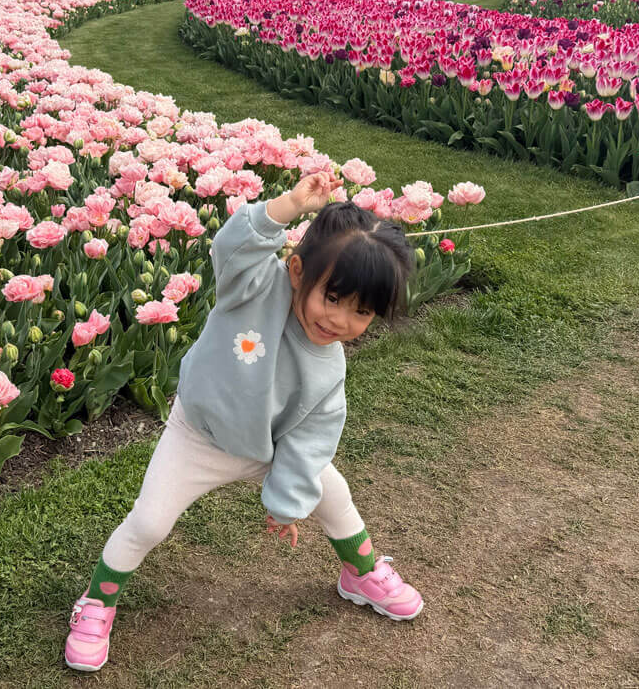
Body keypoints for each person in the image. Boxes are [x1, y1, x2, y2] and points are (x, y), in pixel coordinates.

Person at [64, 177, 422, 674]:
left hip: (265, 447)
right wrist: (288, 206)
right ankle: (98, 601)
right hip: (200, 435)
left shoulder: (330, 367)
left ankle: (361, 573)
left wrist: (285, 502)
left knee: (332, 494)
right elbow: (232, 247)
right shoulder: (254, 286)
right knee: (149, 522)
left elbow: (311, 440)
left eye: (361, 311)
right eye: (332, 297)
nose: (339, 320)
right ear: (298, 271)